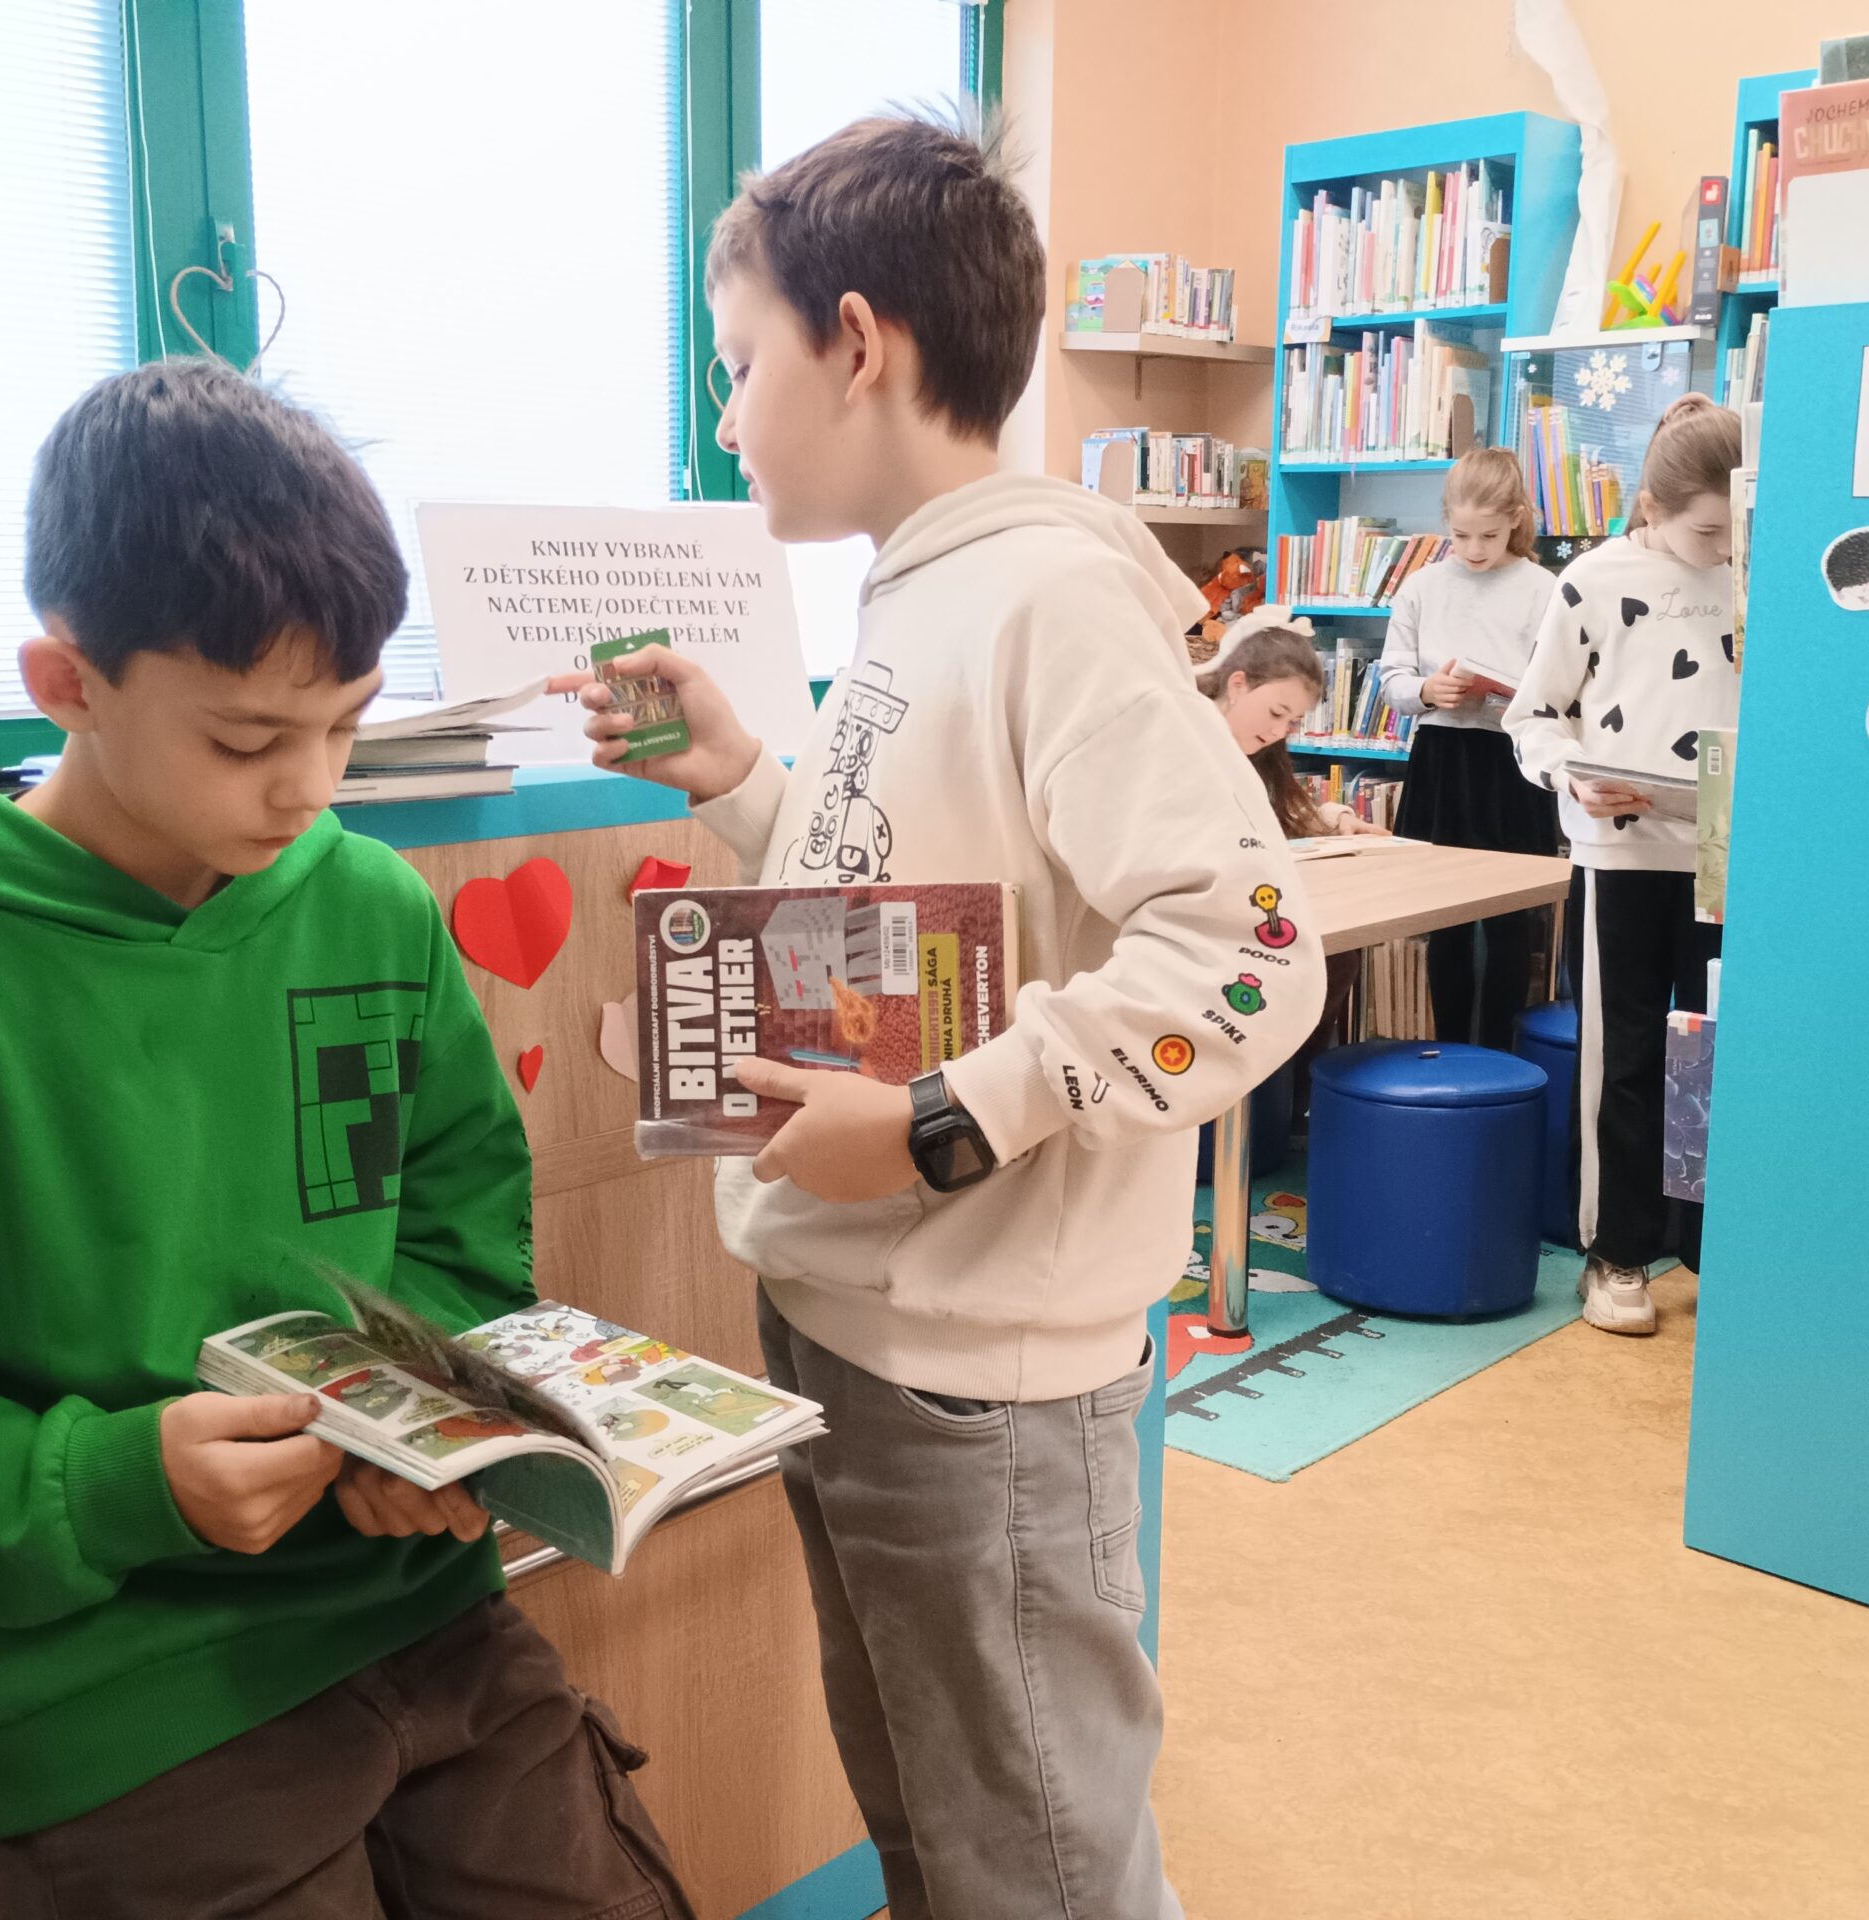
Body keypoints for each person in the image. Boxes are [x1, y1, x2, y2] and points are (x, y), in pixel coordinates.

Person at [0, 359, 694, 1920]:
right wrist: (112, 1481)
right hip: (115, 1691)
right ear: (67, 682)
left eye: (347, 723)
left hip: (422, 1610)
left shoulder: (368, 907)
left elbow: (457, 1234)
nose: (310, 788)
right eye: (246, 741)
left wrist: (436, 1429)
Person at [560, 111, 1320, 1920]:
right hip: (864, 1334)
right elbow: (927, 896)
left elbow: (1252, 952)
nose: (725, 416)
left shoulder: (1050, 598)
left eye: (739, 361)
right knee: (943, 1831)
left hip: (986, 1382)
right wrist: (746, 779)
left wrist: (938, 1124)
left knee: (1032, 1863)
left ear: (856, 343)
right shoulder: (928, 585)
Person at [1505, 393, 1741, 1336]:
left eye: (1735, 526)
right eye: (1706, 529)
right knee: (1625, 1054)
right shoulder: (1595, 580)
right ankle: (1619, 1252)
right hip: (1620, 852)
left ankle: (1718, 1246)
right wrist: (1572, 775)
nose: (1721, 546)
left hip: (1726, 851)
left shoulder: (1758, 573)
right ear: (1651, 505)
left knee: (1713, 1052)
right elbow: (1533, 716)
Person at [1373, 448, 1563, 1049]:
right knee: (1446, 919)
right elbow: (1392, 679)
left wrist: (1510, 698)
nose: (1474, 549)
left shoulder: (1544, 589)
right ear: (1445, 523)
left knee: (1510, 923)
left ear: (1515, 521)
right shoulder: (1422, 587)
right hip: (1443, 762)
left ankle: (1500, 1054)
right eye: (1460, 535)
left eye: (1488, 535)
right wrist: (1427, 691)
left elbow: (1559, 689)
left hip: (1512, 766)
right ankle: (1451, 1047)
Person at [1198, 608, 1383, 1046]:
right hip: (1203, 923)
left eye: (1292, 722)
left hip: (1245, 904)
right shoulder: (1190, 745)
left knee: (1337, 955)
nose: (1278, 732)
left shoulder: (1253, 747)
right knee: (1314, 959)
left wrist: (1335, 819)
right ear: (1237, 684)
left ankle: (1299, 1080)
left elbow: (1277, 813)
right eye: (1276, 712)